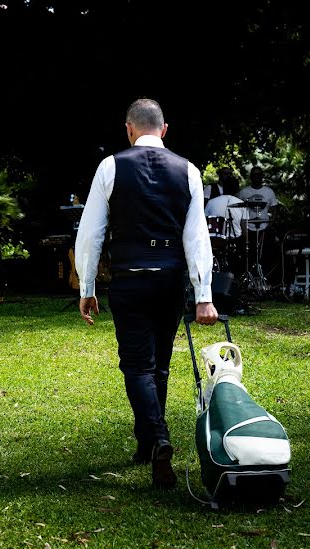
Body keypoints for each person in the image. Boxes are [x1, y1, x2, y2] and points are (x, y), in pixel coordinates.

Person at [75, 98, 218, 490]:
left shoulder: (110, 166)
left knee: (137, 365)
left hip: (131, 277)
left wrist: (87, 287)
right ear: (165, 129)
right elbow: (196, 236)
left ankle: (156, 438)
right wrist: (203, 293)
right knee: (160, 364)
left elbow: (90, 234)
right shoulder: (188, 170)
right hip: (171, 279)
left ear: (129, 129)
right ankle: (146, 445)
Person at [239, 166, 278, 232]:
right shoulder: (243, 192)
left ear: (262, 176)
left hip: (264, 228)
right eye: (254, 175)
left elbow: (275, 211)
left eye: (258, 174)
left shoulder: (269, 192)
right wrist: (243, 228)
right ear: (251, 176)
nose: (256, 176)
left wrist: (269, 226)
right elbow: (238, 211)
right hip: (248, 229)